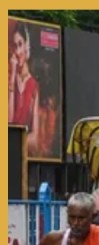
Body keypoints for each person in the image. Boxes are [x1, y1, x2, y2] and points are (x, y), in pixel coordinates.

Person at [9, 22, 40, 153]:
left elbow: (35, 137)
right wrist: (13, 74)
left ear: (27, 45)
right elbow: (8, 120)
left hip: (21, 153)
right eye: (15, 46)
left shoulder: (34, 85)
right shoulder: (9, 79)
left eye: (20, 44)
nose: (17, 51)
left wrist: (15, 142)